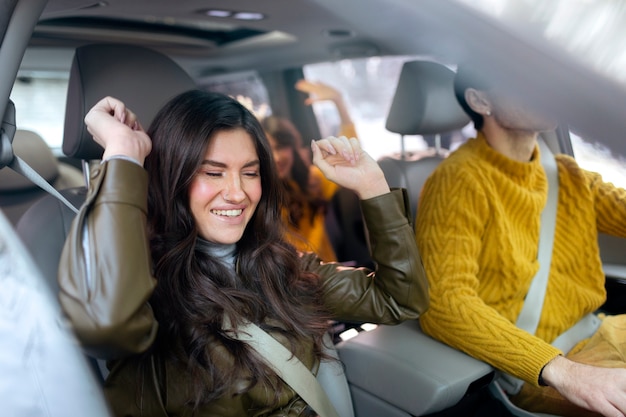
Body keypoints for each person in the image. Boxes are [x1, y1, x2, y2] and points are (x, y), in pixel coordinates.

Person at [57, 90, 429, 416]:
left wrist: (371, 185)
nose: (238, 193)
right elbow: (106, 325)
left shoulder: (280, 264)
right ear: (173, 177)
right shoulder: (145, 289)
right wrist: (123, 155)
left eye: (249, 173)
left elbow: (399, 300)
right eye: (213, 173)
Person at [415, 62, 626, 417]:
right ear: (481, 101)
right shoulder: (458, 181)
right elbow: (443, 304)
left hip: (600, 330)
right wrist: (564, 371)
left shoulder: (566, 174)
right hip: (540, 369)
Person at [261, 80, 358, 262]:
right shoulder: (262, 197)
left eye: (281, 147)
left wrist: (339, 102)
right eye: (267, 150)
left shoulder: (311, 180)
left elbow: (348, 160)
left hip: (330, 276)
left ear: (293, 147)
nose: (276, 157)